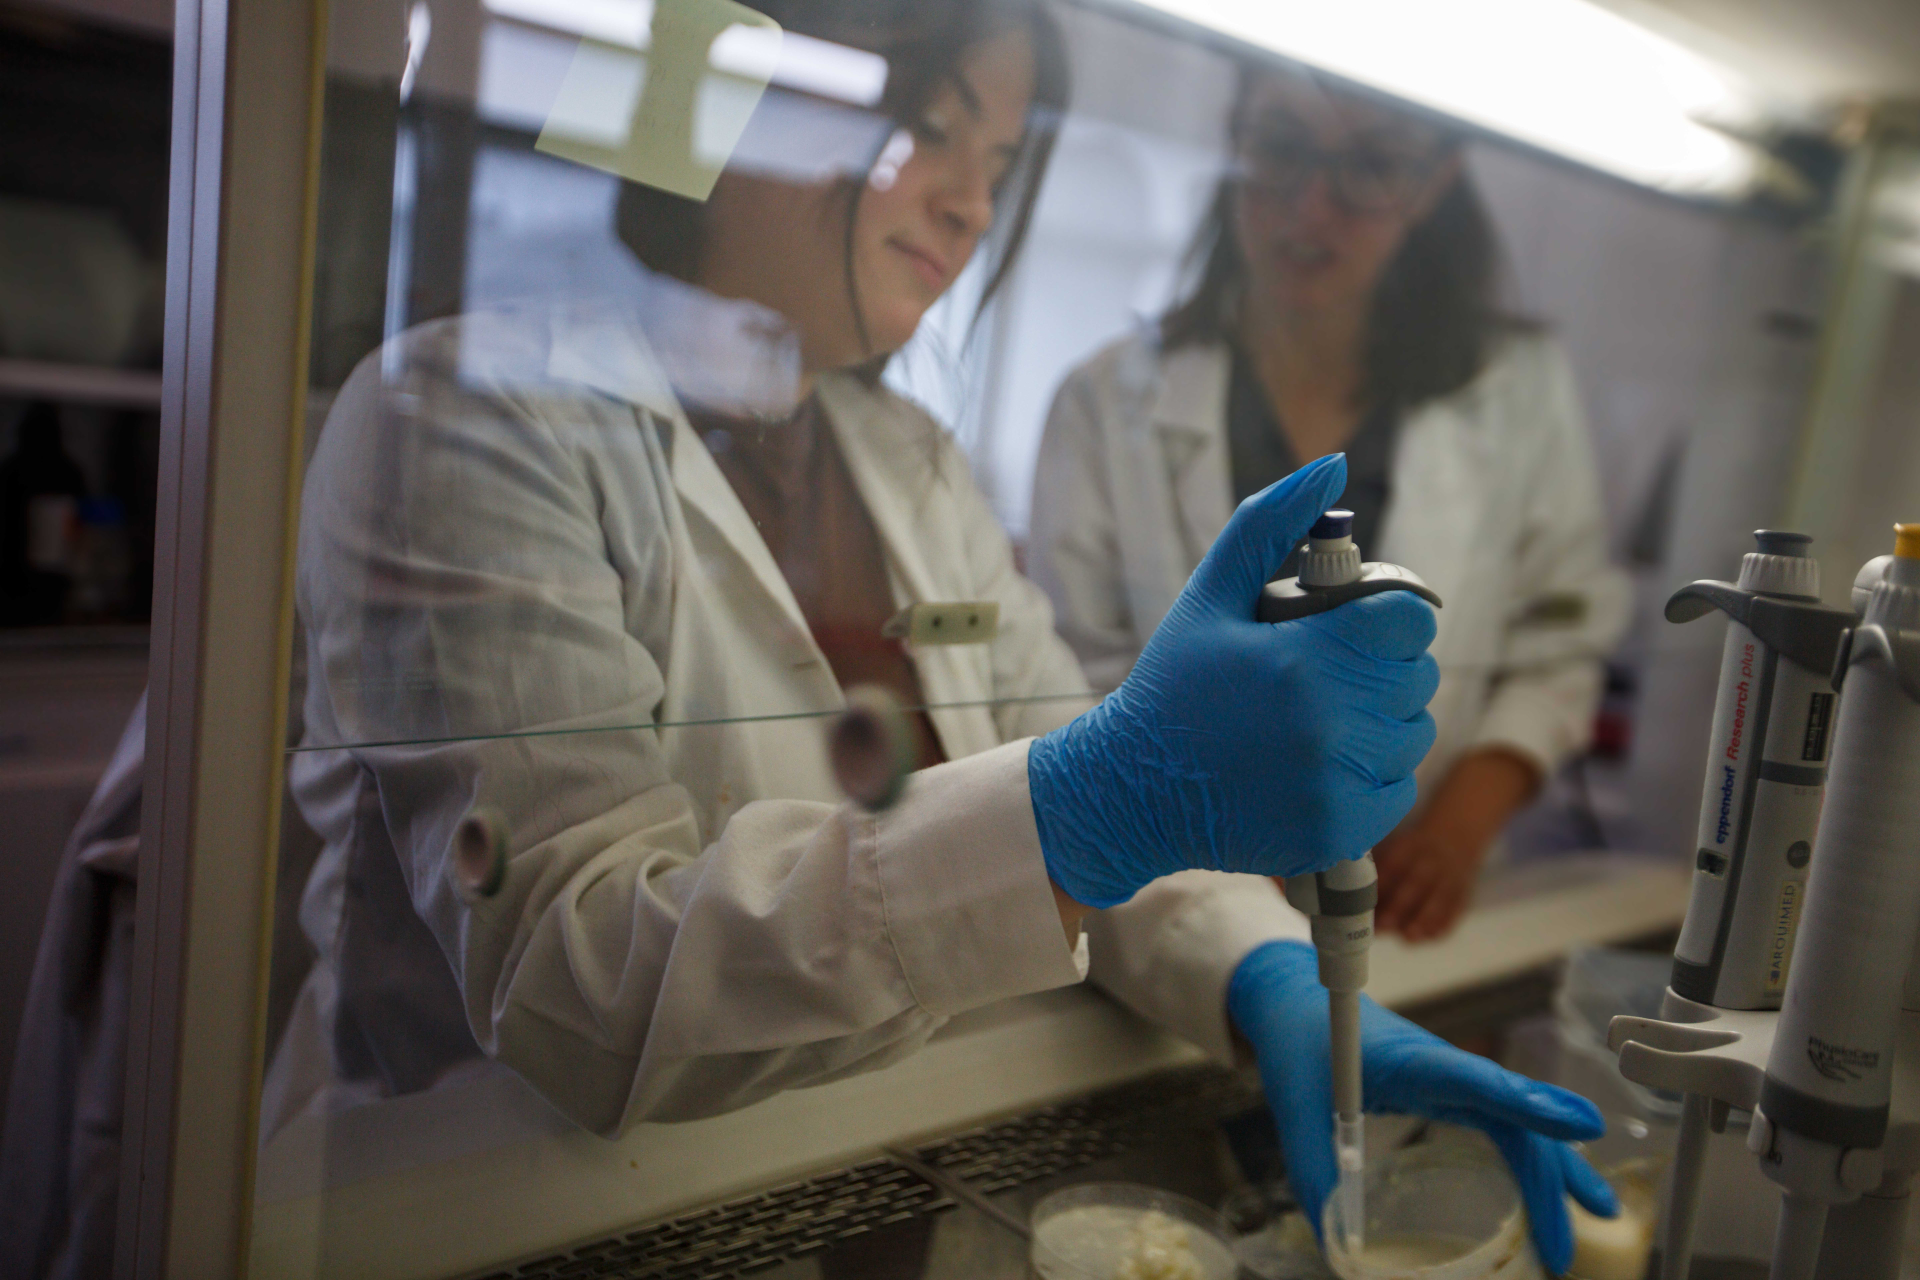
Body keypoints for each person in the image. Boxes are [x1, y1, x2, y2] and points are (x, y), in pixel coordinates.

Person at [278, 2, 1614, 1266]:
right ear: (739, 99)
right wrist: (1086, 811)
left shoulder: (906, 459)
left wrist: (1265, 978)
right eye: (930, 126)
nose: (972, 204)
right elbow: (577, 989)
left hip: (844, 1169)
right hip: (470, 1211)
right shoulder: (469, 421)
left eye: (1002, 161)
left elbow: (1078, 757)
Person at [1029, 64, 1630, 944]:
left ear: (1434, 184)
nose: (1312, 207)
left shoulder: (1517, 390)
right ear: (1235, 144)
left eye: (1371, 166)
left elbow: (1558, 646)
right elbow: (1066, 675)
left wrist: (1455, 833)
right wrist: (1211, 832)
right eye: (1281, 149)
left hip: (1413, 916)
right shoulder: (1104, 399)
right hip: (1169, 906)